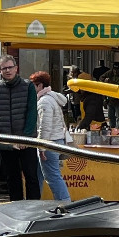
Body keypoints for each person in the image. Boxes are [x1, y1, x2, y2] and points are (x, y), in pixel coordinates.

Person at [0, 54, 40, 201]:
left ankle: (34, 208)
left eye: (10, 67)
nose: (7, 71)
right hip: (6, 140)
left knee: (31, 176)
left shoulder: (27, 86)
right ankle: (17, 207)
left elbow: (32, 112)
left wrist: (26, 138)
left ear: (16, 68)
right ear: (0, 71)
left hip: (27, 140)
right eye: (4, 68)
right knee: (12, 177)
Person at [32, 70, 70, 200]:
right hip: (57, 141)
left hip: (49, 143)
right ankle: (35, 201)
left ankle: (65, 203)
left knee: (52, 177)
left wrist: (41, 147)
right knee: (40, 174)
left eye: (34, 85)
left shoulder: (44, 102)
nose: (32, 89)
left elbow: (45, 127)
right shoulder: (53, 98)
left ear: (40, 85)